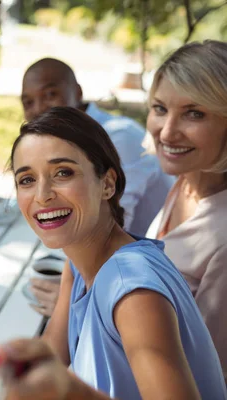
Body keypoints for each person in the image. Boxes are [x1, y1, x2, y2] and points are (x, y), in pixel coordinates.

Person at [0, 107, 226, 399]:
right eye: (26, 179)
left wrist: (67, 391)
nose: (42, 195)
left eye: (63, 173)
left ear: (107, 184)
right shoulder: (79, 260)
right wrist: (14, 372)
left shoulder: (133, 292)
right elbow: (54, 350)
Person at [21, 57, 174, 317]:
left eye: (50, 94)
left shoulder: (117, 136)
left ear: (78, 92)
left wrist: (78, 297)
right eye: (28, 102)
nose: (38, 108)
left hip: (135, 282)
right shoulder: (61, 143)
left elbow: (107, 226)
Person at [145, 40, 227, 383]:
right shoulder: (184, 180)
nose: (166, 131)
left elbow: (207, 376)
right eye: (160, 108)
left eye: (194, 113)